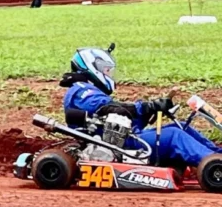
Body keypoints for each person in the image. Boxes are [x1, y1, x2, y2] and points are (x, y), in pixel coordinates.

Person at [60, 47, 220, 169]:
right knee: (174, 136)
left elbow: (120, 117)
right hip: (115, 144)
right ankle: (213, 165)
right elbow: (109, 108)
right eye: (107, 71)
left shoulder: (87, 89)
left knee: (183, 128)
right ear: (92, 68)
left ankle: (216, 157)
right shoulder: (80, 89)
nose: (109, 75)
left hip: (124, 137)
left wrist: (149, 110)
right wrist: (145, 107)